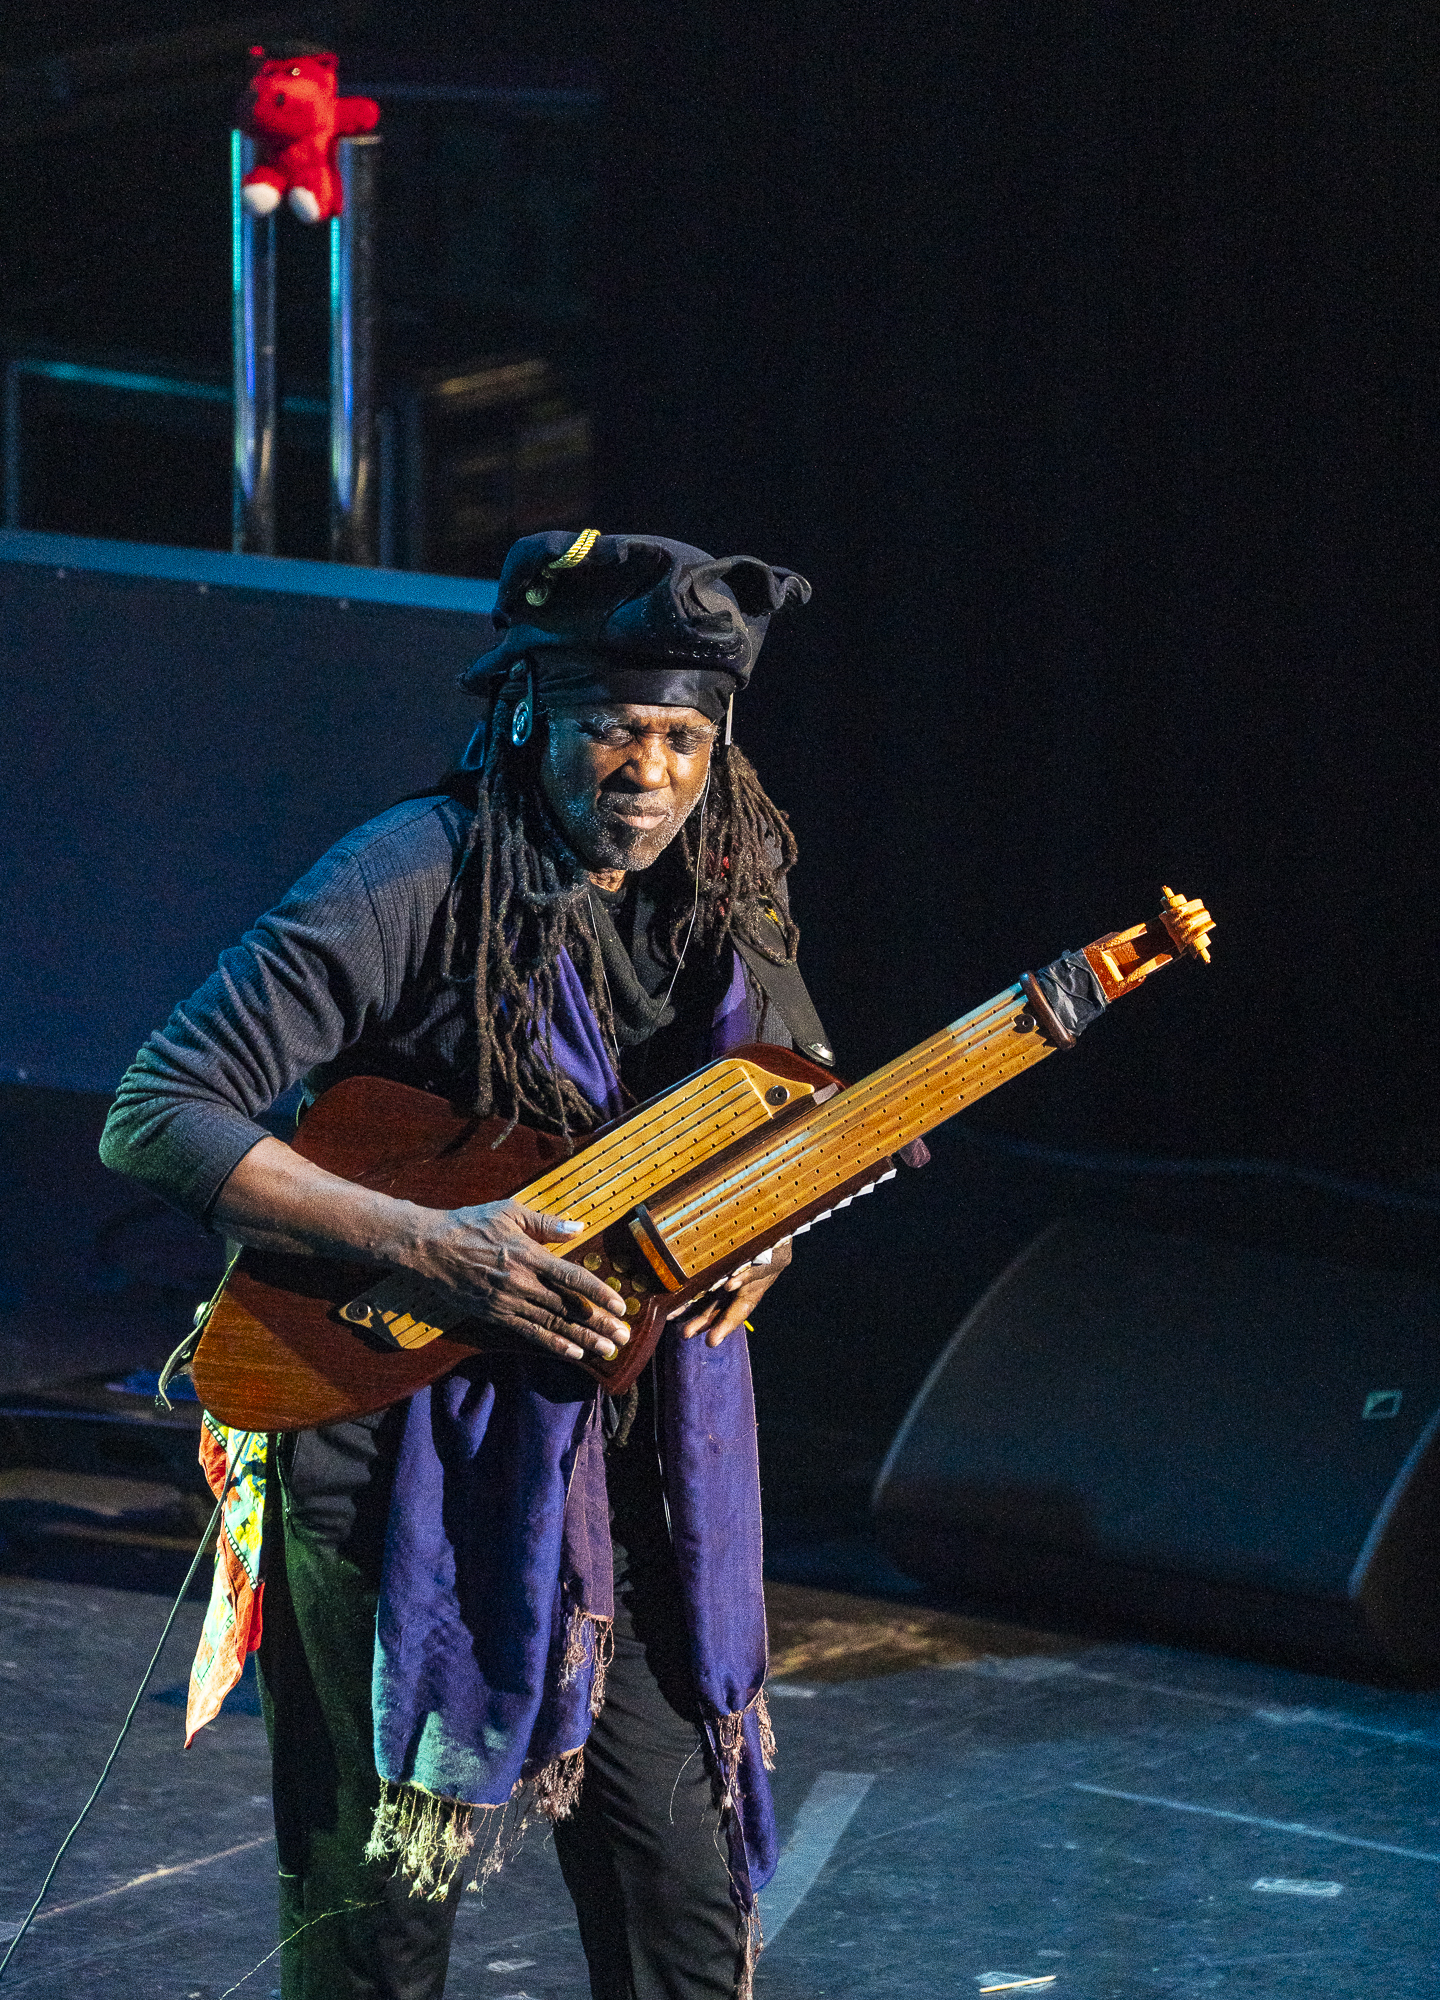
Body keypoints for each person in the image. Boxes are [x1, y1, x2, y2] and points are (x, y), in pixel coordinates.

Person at [99, 530, 831, 2000]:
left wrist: (772, 1227)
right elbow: (157, 1110)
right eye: (613, 728)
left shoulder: (729, 895)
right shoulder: (415, 868)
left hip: (626, 1477)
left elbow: (792, 1109)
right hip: (392, 1447)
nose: (650, 772)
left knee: (679, 1901)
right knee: (380, 1904)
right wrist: (438, 1248)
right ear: (525, 717)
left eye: (685, 736)